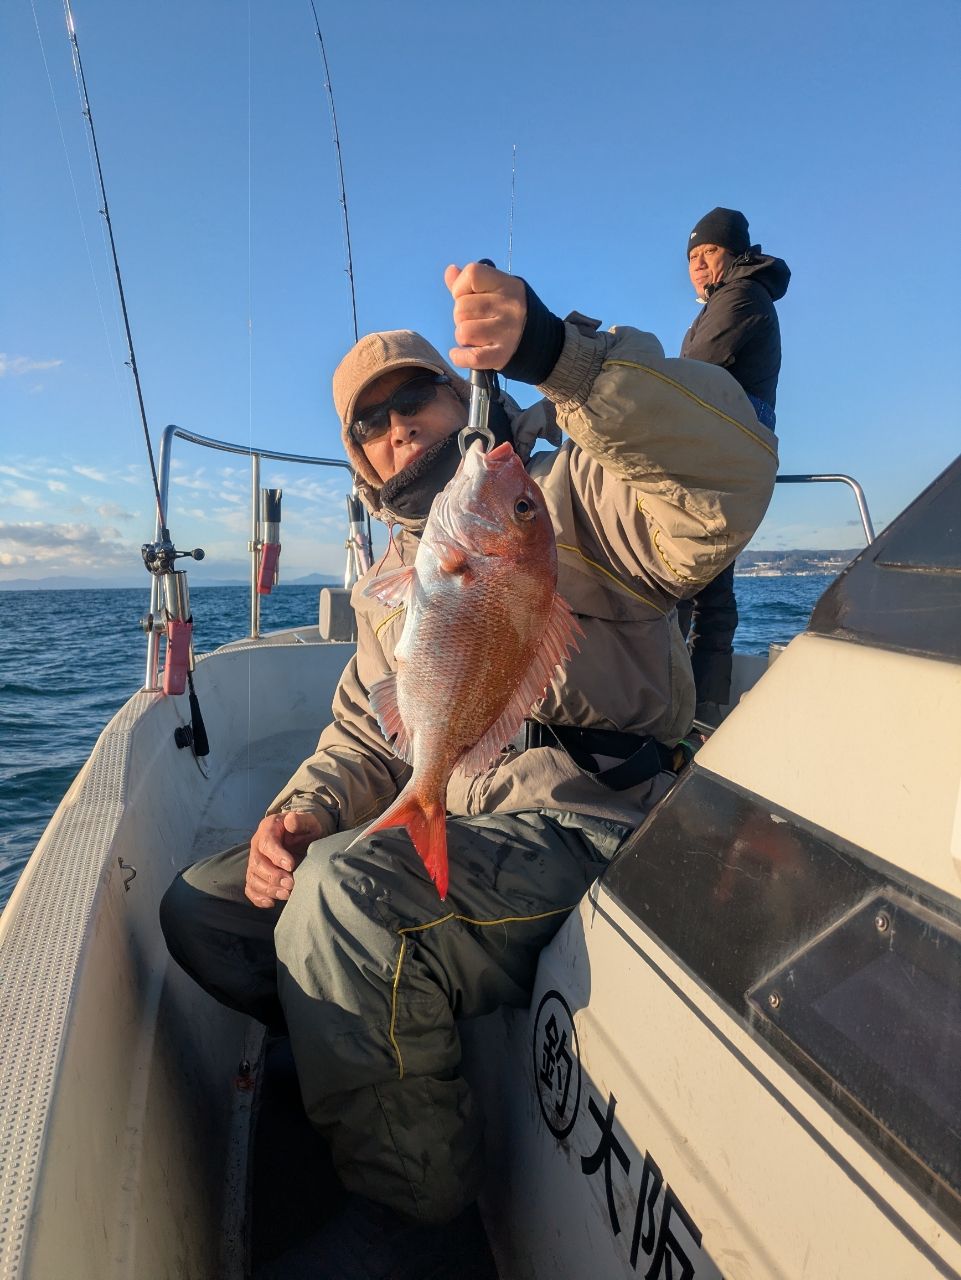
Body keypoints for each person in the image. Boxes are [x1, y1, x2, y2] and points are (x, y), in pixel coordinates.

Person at [159, 262, 777, 1240]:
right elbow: (370, 726)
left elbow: (725, 479)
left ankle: (417, 1214)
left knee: (345, 900)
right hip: (467, 825)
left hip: (588, 824)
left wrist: (560, 357)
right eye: (372, 422)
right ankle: (363, 1045)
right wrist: (306, 811)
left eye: (416, 397)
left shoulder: (566, 499)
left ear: (464, 394)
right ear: (360, 464)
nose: (398, 426)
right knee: (205, 904)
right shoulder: (395, 578)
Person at [678, 207, 791, 721]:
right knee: (711, 590)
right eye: (693, 257)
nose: (700, 265)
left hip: (721, 457)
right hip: (728, 452)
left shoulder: (740, 297)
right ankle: (700, 712)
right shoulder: (734, 297)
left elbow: (692, 374)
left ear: (735, 253)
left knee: (682, 583)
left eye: (710, 253)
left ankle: (679, 711)